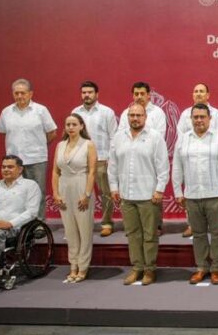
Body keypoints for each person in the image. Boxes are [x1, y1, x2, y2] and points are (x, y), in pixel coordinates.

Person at [171, 103, 218, 285]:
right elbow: (177, 167)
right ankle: (201, 268)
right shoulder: (183, 139)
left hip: (215, 194)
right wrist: (178, 191)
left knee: (217, 234)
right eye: (195, 117)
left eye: (202, 117)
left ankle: (216, 268)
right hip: (192, 195)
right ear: (191, 119)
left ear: (210, 118)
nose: (199, 120)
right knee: (198, 234)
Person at [108, 103, 169, 286]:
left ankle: (150, 269)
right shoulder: (119, 137)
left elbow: (163, 166)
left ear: (145, 117)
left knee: (150, 235)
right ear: (127, 117)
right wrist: (113, 188)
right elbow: (113, 166)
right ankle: (137, 268)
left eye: (138, 115)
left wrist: (159, 190)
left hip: (149, 196)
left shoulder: (155, 137)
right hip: (127, 195)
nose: (135, 118)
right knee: (133, 234)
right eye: (131, 115)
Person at [0, 78, 57, 220]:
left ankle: (39, 223)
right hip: (14, 162)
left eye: (23, 93)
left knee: (37, 192)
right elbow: (5, 132)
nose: (19, 96)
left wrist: (39, 145)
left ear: (30, 94)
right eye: (16, 93)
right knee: (15, 193)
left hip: (37, 159)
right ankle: (18, 223)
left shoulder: (41, 110)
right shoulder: (6, 112)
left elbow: (52, 132)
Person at [175, 84, 218, 239]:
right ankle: (192, 225)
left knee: (214, 202)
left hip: (211, 156)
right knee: (192, 191)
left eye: (201, 91)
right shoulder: (185, 114)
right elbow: (181, 135)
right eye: (196, 91)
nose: (198, 94)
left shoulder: (216, 114)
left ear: (208, 95)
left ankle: (213, 225)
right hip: (191, 154)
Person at [51, 114, 97, 283]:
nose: (70, 127)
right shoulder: (60, 145)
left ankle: (83, 267)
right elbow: (56, 171)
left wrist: (86, 194)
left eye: (74, 124)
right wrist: (55, 193)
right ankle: (73, 265)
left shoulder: (88, 145)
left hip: (81, 184)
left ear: (81, 126)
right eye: (68, 124)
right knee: (70, 231)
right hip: (64, 187)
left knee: (84, 230)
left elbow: (92, 171)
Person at [72, 80, 119, 237]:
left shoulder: (107, 112)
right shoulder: (75, 113)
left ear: (96, 94)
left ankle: (106, 223)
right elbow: (72, 137)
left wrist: (111, 159)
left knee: (105, 193)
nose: (87, 95)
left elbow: (114, 137)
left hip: (101, 159)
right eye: (84, 92)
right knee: (81, 193)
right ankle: (82, 224)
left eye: (90, 92)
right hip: (80, 160)